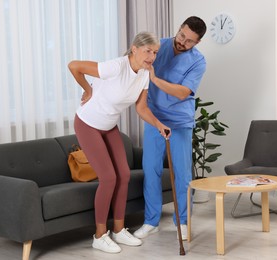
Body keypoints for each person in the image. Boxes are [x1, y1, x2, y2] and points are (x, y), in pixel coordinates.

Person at [68, 32, 171, 254]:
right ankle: (99, 235)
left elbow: (141, 108)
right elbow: (74, 65)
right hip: (87, 124)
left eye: (155, 52)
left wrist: (158, 124)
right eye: (148, 51)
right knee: (108, 178)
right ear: (134, 49)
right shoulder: (115, 67)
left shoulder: (144, 74)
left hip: (109, 126)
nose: (152, 56)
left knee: (123, 175)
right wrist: (88, 89)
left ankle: (118, 229)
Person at [134, 16, 207, 241]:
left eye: (189, 41)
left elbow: (183, 92)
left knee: (182, 174)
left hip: (179, 123)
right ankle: (151, 221)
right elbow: (133, 62)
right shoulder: (160, 46)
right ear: (179, 29)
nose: (182, 42)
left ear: (197, 43)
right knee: (151, 170)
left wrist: (154, 79)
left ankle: (183, 222)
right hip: (154, 120)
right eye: (181, 35)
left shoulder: (198, 61)